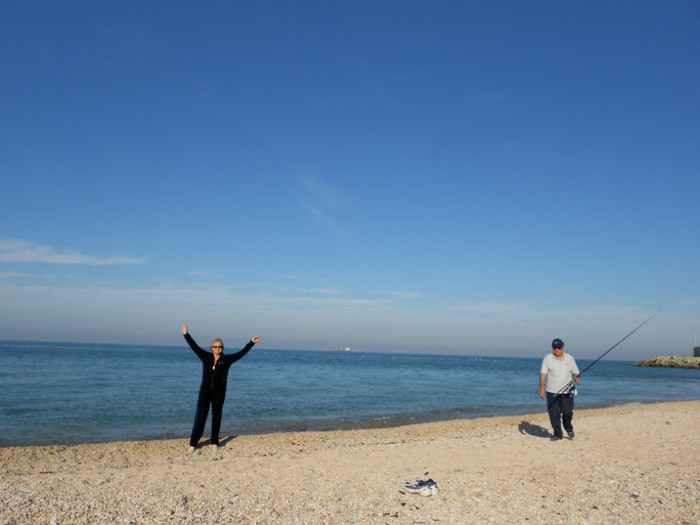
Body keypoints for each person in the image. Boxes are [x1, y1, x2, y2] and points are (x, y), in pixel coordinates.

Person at [182, 323, 261, 452]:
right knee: (200, 417)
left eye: (219, 346)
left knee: (216, 417)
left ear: (222, 348)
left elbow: (241, 353)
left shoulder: (227, 360)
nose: (217, 348)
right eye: (215, 346)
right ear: (211, 347)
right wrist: (186, 334)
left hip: (219, 393)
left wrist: (251, 342)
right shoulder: (205, 357)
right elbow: (194, 347)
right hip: (205, 392)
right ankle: (193, 443)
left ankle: (214, 442)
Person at [539, 338, 580, 441]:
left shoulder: (569, 358)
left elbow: (576, 372)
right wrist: (542, 389)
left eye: (558, 348)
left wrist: (577, 377)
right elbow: (543, 374)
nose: (556, 350)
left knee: (567, 412)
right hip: (551, 391)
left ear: (563, 347)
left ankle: (569, 428)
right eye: (554, 348)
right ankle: (557, 434)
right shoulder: (548, 358)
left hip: (566, 391)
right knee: (554, 414)